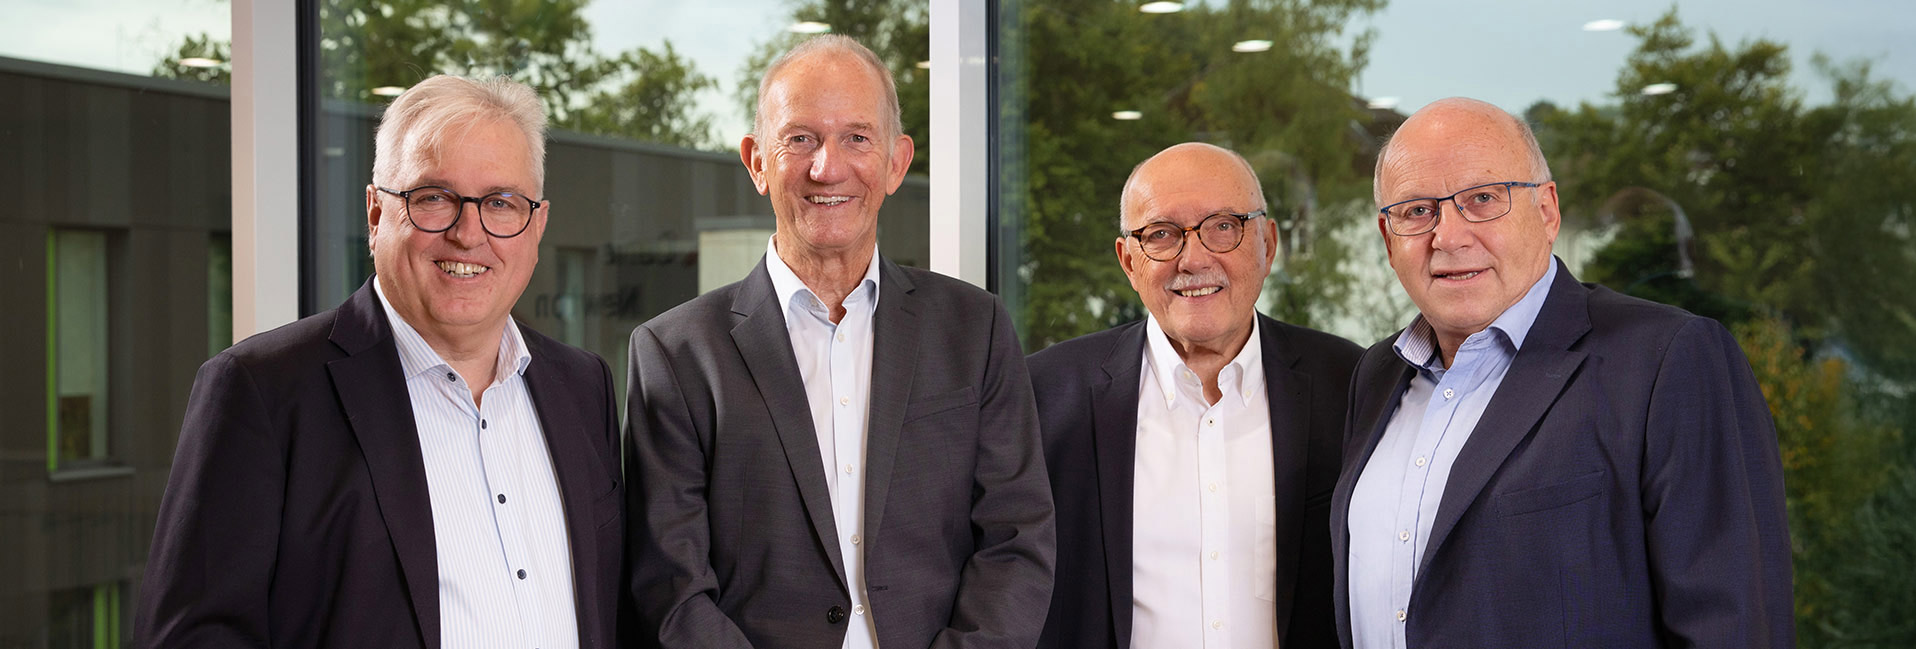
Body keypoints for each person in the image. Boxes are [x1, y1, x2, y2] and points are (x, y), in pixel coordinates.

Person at [135, 75, 624, 649]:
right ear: (375, 213)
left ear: (537, 224)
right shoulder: (260, 391)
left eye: (500, 203)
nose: (469, 234)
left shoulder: (582, 385)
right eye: (434, 198)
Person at [623, 35, 1055, 649]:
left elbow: (1017, 540)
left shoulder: (975, 329)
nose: (828, 168)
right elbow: (672, 588)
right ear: (757, 162)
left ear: (897, 162)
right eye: (799, 139)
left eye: (857, 137)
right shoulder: (676, 354)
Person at [1331, 97, 1793, 648]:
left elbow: (1733, 629)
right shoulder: (1377, 375)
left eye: (1482, 199)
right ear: (1388, 240)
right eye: (1416, 211)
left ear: (1547, 211)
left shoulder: (1669, 360)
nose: (1448, 236)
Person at [1029, 142, 1361, 649]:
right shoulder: (1044, 396)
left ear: (1267, 245)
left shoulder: (1351, 385)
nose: (1194, 258)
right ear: (1128, 262)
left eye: (1223, 226)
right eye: (1162, 235)